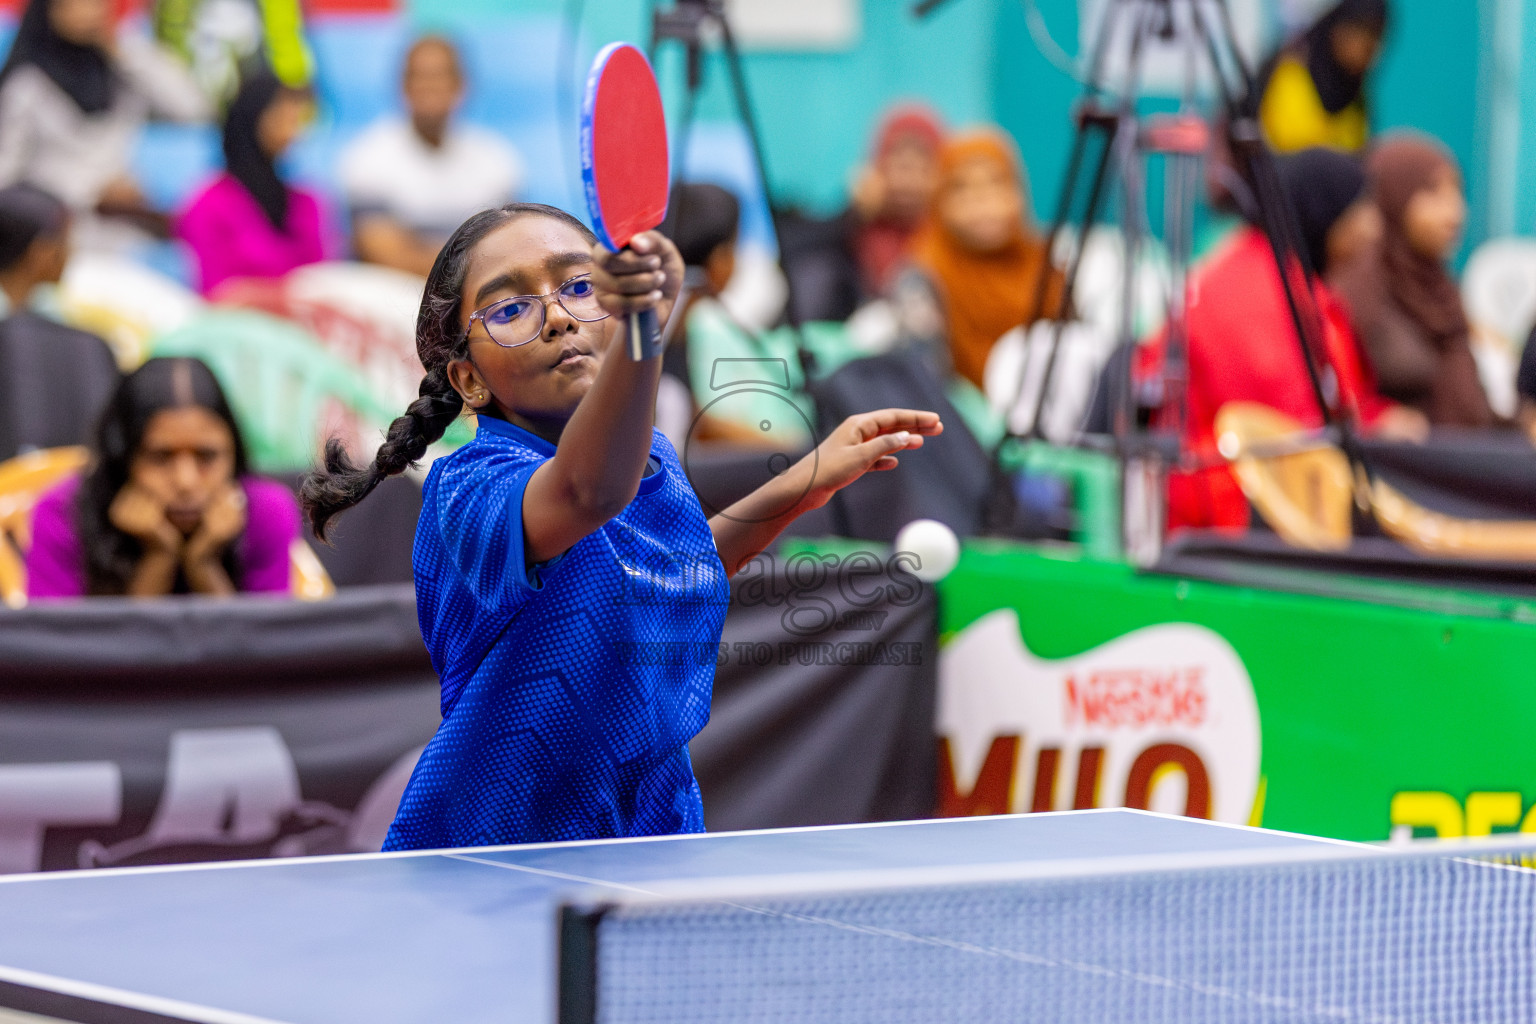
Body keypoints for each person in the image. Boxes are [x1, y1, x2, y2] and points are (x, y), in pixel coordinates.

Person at [300, 202, 941, 848]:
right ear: (468, 379)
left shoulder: (651, 456)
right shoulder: (469, 489)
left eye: (580, 288)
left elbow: (673, 570)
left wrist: (807, 480)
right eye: (510, 308)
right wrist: (642, 334)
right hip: (498, 852)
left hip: (645, 828)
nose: (556, 315)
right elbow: (585, 491)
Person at [1138, 147, 1422, 533]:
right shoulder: (1257, 297)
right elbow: (1289, 430)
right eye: (1363, 212)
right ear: (1326, 213)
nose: (1374, 229)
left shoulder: (1291, 280)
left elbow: (1328, 404)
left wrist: (1374, 417)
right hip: (1228, 515)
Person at [27, 357, 299, 598]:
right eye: (160, 457)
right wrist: (158, 558)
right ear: (123, 457)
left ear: (234, 453)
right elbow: (57, 651)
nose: (186, 482)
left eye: (207, 456)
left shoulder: (265, 512)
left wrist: (203, 566)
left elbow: (264, 652)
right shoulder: (63, 514)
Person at [0, 0, 209, 251]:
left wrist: (124, 49)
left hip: (127, 234)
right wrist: (90, 194)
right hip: (56, 240)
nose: (90, 10)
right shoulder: (28, 86)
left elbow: (194, 109)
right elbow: (6, 178)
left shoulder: (121, 72)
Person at [1334, 134, 1502, 429]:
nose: (1455, 212)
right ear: (1395, 198)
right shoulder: (1358, 293)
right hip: (1402, 465)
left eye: (1457, 192)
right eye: (1434, 193)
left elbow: (1472, 402)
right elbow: (1346, 402)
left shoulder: (1441, 288)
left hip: (1466, 453)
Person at [338, 36, 523, 278]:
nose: (429, 87)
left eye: (440, 76)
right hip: (398, 300)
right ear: (402, 86)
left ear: (462, 85)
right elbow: (385, 255)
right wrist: (479, 265)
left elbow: (513, 245)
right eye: (419, 77)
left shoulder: (497, 158)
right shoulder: (367, 157)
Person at [661, 182, 815, 448]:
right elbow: (705, 424)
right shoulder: (695, 323)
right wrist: (798, 450)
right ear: (720, 260)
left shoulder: (659, 319)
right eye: (736, 246)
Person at [911, 129, 1066, 391]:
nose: (982, 202)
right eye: (962, 188)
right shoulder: (923, 276)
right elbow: (926, 385)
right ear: (939, 199)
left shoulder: (1044, 265)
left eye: (997, 183)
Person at [178, 68, 332, 296]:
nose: (292, 131)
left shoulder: (306, 203)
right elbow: (214, 290)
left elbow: (321, 281)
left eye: (294, 120)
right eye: (280, 117)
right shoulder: (208, 204)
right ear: (254, 116)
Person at [0, 184, 120, 461]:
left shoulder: (67, 324)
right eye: (66, 240)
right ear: (42, 253)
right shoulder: (77, 343)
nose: (72, 252)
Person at [1255, 0, 1388, 155]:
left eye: (1376, 35)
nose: (1368, 45)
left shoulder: (1358, 99)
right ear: (1335, 27)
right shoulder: (1289, 73)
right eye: (1359, 30)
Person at [848, 105, 945, 298]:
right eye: (899, 168)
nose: (907, 183)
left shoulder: (950, 237)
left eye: (922, 169)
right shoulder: (855, 231)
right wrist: (853, 213)